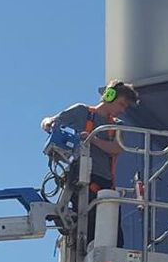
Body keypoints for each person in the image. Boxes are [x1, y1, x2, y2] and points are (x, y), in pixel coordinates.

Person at [42, 81, 140, 245]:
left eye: (125, 107)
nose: (122, 110)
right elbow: (49, 122)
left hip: (103, 182)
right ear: (109, 96)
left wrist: (93, 140)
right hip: (79, 179)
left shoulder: (116, 125)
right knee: (85, 230)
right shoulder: (82, 112)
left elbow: (117, 148)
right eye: (121, 104)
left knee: (113, 237)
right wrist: (49, 124)